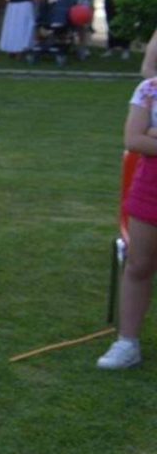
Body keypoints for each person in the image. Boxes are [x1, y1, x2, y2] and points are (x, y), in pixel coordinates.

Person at [98, 32, 157, 369]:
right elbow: (134, 139)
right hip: (151, 188)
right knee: (138, 265)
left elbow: (145, 137)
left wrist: (153, 133)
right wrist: (145, 135)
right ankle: (127, 342)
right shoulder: (149, 90)